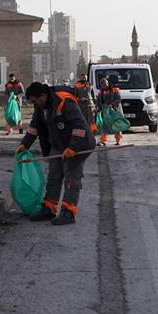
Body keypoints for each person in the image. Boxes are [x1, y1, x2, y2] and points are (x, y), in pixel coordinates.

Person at [16, 81, 96, 225]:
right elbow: (35, 126)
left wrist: (74, 148)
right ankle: (49, 208)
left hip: (78, 144)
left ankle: (68, 211)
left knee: (71, 177)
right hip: (58, 144)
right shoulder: (41, 106)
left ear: (43, 96)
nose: (35, 104)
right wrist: (25, 144)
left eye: (35, 101)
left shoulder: (64, 101)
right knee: (54, 176)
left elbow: (79, 126)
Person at [96, 77, 124, 146]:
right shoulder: (101, 91)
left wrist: (112, 105)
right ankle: (103, 141)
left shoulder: (115, 89)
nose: (104, 87)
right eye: (102, 86)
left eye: (105, 85)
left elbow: (118, 99)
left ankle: (118, 140)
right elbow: (98, 101)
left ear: (108, 83)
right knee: (104, 126)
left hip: (115, 111)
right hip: (105, 112)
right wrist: (97, 107)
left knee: (116, 126)